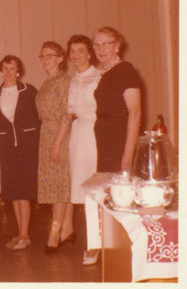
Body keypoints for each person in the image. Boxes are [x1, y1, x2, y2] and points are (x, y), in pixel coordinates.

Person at [0, 55, 40, 250]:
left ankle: (25, 235)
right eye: (5, 68)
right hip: (7, 147)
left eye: (12, 68)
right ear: (0, 70)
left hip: (27, 145)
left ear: (18, 71)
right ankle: (21, 233)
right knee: (14, 192)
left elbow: (38, 117)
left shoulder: (29, 91)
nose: (8, 72)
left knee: (24, 192)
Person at [35, 41, 74, 253]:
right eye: (42, 56)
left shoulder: (63, 81)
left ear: (60, 58)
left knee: (59, 185)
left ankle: (55, 232)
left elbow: (67, 114)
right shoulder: (47, 82)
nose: (45, 60)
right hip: (47, 133)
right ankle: (67, 229)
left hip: (60, 134)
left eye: (50, 55)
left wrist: (57, 143)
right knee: (57, 184)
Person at [66, 35, 102, 265]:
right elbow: (70, 112)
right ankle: (92, 241)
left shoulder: (100, 77)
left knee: (97, 190)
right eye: (72, 51)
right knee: (83, 191)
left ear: (90, 53)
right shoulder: (73, 80)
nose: (76, 55)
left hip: (97, 133)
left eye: (80, 50)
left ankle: (98, 244)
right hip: (78, 134)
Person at [92, 26, 142, 173]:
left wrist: (128, 151)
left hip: (119, 135)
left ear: (117, 46)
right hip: (105, 135)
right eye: (97, 45)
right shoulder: (106, 73)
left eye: (106, 44)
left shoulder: (125, 70)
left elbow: (136, 112)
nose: (101, 49)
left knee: (119, 187)